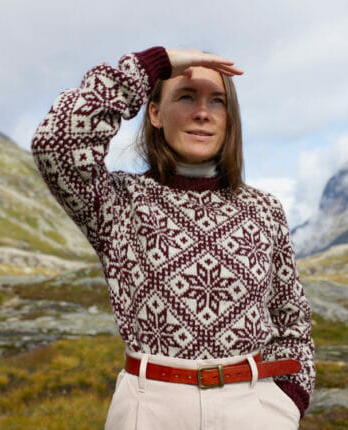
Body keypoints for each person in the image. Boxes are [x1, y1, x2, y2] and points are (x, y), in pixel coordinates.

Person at [31, 46, 315, 430]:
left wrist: (288, 402)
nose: (203, 112)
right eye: (185, 96)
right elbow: (56, 145)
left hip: (253, 408)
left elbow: (291, 318)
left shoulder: (264, 209)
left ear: (230, 118)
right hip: (150, 409)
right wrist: (156, 63)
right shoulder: (119, 201)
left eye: (217, 101)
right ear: (154, 113)